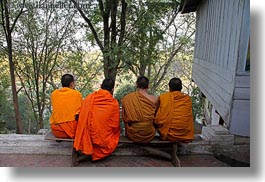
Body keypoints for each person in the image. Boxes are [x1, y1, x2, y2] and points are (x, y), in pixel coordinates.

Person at [74, 78, 120, 161]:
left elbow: (81, 115)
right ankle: (98, 152)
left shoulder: (89, 98)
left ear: (100, 86)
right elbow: (115, 124)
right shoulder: (114, 103)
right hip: (103, 138)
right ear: (112, 89)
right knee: (115, 134)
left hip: (87, 135)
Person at [155, 77, 194, 142]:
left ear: (169, 88)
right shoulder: (187, 99)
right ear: (181, 88)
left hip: (168, 134)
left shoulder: (163, 97)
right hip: (184, 135)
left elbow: (158, 119)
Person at [121, 76, 158, 143]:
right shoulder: (154, 99)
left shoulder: (127, 98)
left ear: (136, 85)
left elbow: (124, 118)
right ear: (148, 86)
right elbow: (156, 117)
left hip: (133, 134)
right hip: (149, 133)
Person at [50, 74, 82, 138]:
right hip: (72, 131)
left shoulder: (54, 94)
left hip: (57, 131)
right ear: (72, 84)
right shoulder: (77, 94)